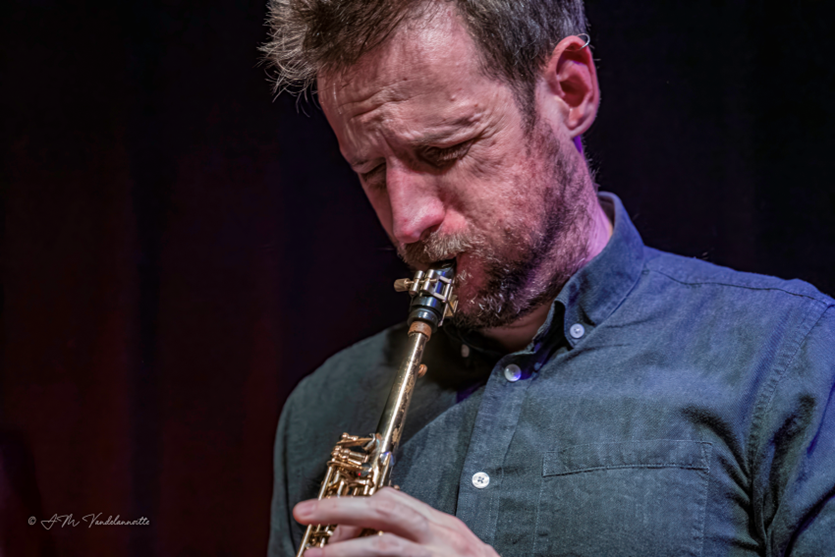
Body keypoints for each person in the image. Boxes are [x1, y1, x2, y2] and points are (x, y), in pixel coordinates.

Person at [262, 1, 835, 556]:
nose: (408, 222)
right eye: (369, 170)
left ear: (570, 91)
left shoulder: (789, 355)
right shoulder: (320, 408)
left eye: (443, 150)